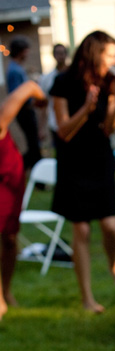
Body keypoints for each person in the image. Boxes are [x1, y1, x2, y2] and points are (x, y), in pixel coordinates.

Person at [50, 31, 115, 312]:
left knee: (110, 225)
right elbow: (64, 131)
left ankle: (113, 266)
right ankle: (87, 297)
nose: (113, 60)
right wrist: (85, 109)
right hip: (73, 160)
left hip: (100, 157)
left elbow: (108, 128)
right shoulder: (62, 83)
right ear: (94, 52)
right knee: (82, 229)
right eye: (109, 54)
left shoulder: (109, 80)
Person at [0, 80, 46, 321]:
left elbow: (29, 85)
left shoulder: (1, 117)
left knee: (9, 238)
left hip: (8, 180)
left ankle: (6, 291)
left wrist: (43, 100)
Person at [7, 37, 43, 170]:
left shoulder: (17, 68)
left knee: (34, 143)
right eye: (26, 51)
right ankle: (19, 168)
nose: (28, 54)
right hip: (24, 112)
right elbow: (18, 96)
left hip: (27, 110)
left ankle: (21, 167)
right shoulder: (14, 70)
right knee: (34, 144)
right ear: (20, 51)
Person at [39, 43, 68, 149]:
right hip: (55, 123)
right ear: (54, 55)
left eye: (62, 53)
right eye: (58, 53)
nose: (60, 56)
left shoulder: (73, 75)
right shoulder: (47, 78)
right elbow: (43, 103)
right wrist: (41, 128)